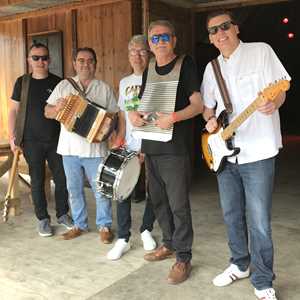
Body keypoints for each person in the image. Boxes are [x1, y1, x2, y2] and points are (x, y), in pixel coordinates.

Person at [201, 10, 291, 300]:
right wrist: (211, 120)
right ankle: (239, 264)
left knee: (260, 221)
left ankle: (263, 280)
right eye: (213, 31)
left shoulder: (261, 51)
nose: (220, 33)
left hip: (259, 151)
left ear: (236, 28)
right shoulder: (211, 68)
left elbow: (282, 87)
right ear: (211, 39)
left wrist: (274, 101)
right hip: (226, 155)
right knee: (231, 215)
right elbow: (207, 107)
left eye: (225, 27)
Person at [129, 20, 203, 284]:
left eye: (164, 37)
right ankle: (169, 243)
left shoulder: (187, 64)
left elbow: (197, 105)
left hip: (175, 149)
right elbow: (146, 101)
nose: (159, 42)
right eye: (154, 38)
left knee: (179, 205)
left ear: (173, 40)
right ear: (149, 44)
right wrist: (136, 115)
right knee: (158, 201)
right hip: (151, 146)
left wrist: (173, 117)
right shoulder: (149, 67)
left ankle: (183, 257)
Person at [45, 47, 122, 243]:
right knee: (74, 189)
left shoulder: (103, 88)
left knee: (100, 189)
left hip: (95, 149)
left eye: (89, 61)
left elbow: (114, 117)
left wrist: (111, 134)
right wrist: (57, 108)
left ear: (95, 64)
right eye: (81, 60)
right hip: (69, 149)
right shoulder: (64, 85)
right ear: (74, 63)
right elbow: (47, 111)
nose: (85, 64)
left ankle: (104, 226)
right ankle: (79, 224)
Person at [8, 43, 71, 237]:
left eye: (44, 57)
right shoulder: (23, 82)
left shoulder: (60, 83)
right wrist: (13, 137)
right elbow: (13, 111)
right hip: (30, 141)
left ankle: (63, 214)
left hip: (56, 140)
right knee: (36, 180)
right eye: (35, 58)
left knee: (62, 179)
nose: (40, 61)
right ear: (29, 60)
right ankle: (43, 219)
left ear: (49, 60)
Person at [106, 35, 157, 260]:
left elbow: (157, 114)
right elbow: (124, 116)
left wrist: (146, 146)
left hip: (153, 143)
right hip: (128, 144)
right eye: (133, 52)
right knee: (121, 189)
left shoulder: (156, 79)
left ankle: (146, 229)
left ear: (150, 54)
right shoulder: (126, 82)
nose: (137, 56)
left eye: (142, 51)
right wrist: (120, 139)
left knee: (154, 189)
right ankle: (123, 238)